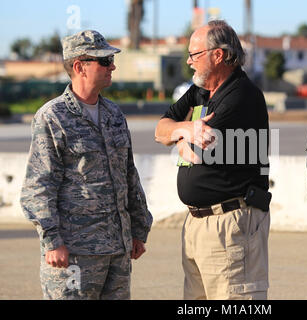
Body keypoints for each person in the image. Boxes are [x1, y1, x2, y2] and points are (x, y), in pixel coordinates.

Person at [20, 30, 153, 300]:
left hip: (117, 251)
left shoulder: (114, 114)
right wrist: (52, 241)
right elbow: (39, 185)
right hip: (74, 254)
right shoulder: (52, 117)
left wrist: (139, 230)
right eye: (104, 61)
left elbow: (129, 175)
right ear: (80, 67)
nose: (112, 66)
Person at [155, 20, 271, 300]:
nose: (189, 61)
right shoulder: (200, 91)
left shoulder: (242, 96)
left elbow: (194, 152)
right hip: (198, 223)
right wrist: (184, 129)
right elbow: (161, 130)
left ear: (218, 55)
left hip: (229, 224)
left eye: (195, 54)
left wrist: (180, 138)